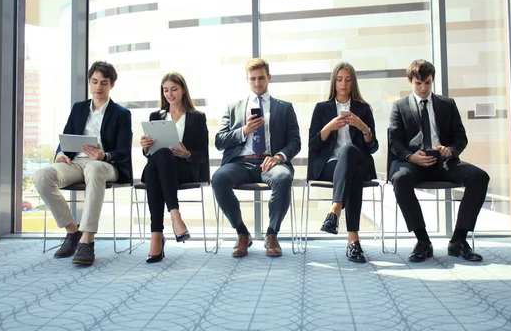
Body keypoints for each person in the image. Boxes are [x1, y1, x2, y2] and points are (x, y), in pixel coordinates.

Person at [389, 59, 490, 262]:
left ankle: (458, 240)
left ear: (432, 80)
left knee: (480, 176)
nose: (424, 88)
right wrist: (410, 156)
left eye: (427, 82)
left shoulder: (447, 104)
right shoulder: (399, 106)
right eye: (418, 83)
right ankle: (423, 241)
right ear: (409, 81)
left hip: (444, 162)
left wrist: (450, 151)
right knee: (400, 179)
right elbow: (394, 142)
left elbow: (460, 138)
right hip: (414, 162)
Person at [34, 61, 132, 266]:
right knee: (42, 175)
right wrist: (60, 154)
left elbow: (123, 151)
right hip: (76, 163)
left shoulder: (122, 114)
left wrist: (104, 156)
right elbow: (66, 138)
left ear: (111, 85)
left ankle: (87, 240)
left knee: (95, 168)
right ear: (89, 82)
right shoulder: (79, 109)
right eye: (94, 82)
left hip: (106, 165)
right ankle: (72, 231)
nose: (98, 87)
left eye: (104, 83)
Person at [212, 58, 301, 258]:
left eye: (261, 78)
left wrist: (279, 157)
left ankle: (271, 234)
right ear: (247, 80)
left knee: (283, 177)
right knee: (218, 179)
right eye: (253, 79)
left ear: (269, 78)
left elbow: (295, 142)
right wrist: (244, 131)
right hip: (240, 162)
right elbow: (219, 141)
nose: (258, 83)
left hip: (270, 162)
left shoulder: (284, 108)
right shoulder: (233, 107)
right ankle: (242, 233)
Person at [308, 62, 378, 263]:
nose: (343, 84)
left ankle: (335, 208)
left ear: (353, 83)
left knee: (349, 152)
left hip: (361, 161)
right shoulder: (322, 109)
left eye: (348, 80)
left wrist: (363, 127)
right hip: (330, 165)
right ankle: (353, 241)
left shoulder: (363, 109)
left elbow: (373, 147)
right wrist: (329, 127)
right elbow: (313, 145)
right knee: (352, 174)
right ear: (334, 82)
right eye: (339, 79)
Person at [139, 72, 209, 263]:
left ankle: (156, 236)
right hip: (159, 168)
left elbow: (203, 153)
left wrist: (188, 154)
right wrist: (145, 148)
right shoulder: (156, 116)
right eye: (166, 90)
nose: (169, 94)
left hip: (184, 169)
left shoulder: (197, 117)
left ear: (183, 90)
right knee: (161, 155)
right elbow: (149, 154)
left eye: (174, 89)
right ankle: (175, 217)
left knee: (161, 163)